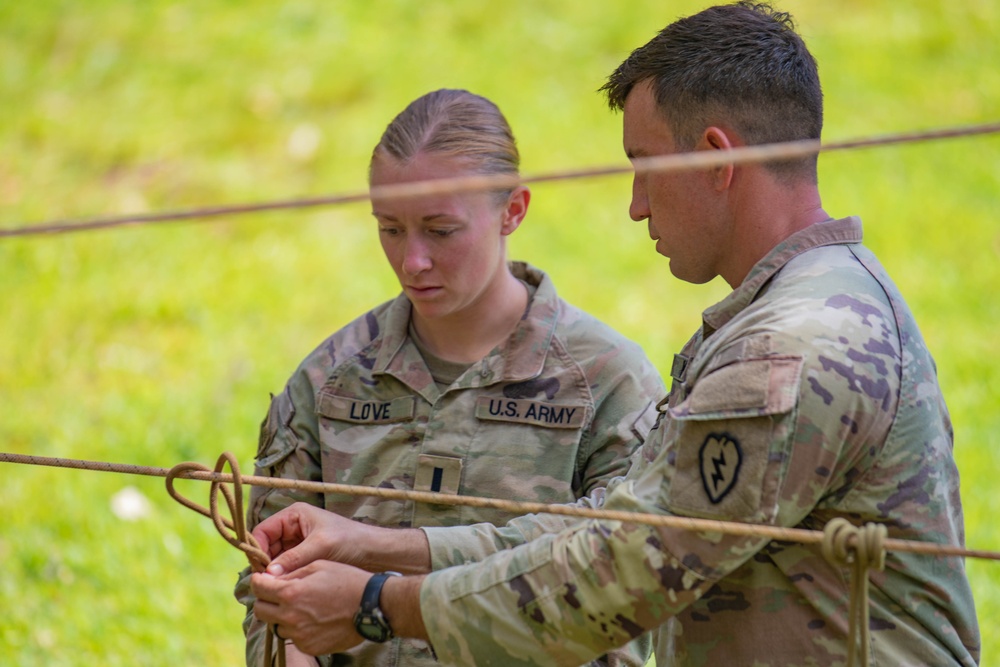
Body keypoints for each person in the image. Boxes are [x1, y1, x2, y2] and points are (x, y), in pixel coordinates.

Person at [248, 3, 982, 666]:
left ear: (718, 160)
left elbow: (615, 573)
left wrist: (377, 603)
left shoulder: (793, 346)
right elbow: (605, 525)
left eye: (644, 167)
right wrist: (377, 544)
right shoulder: (800, 308)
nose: (634, 205)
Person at [234, 88, 665, 667]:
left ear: (512, 210)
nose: (413, 261)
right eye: (390, 229)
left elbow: (621, 578)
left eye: (440, 231)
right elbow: (266, 579)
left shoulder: (607, 382)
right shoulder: (330, 380)